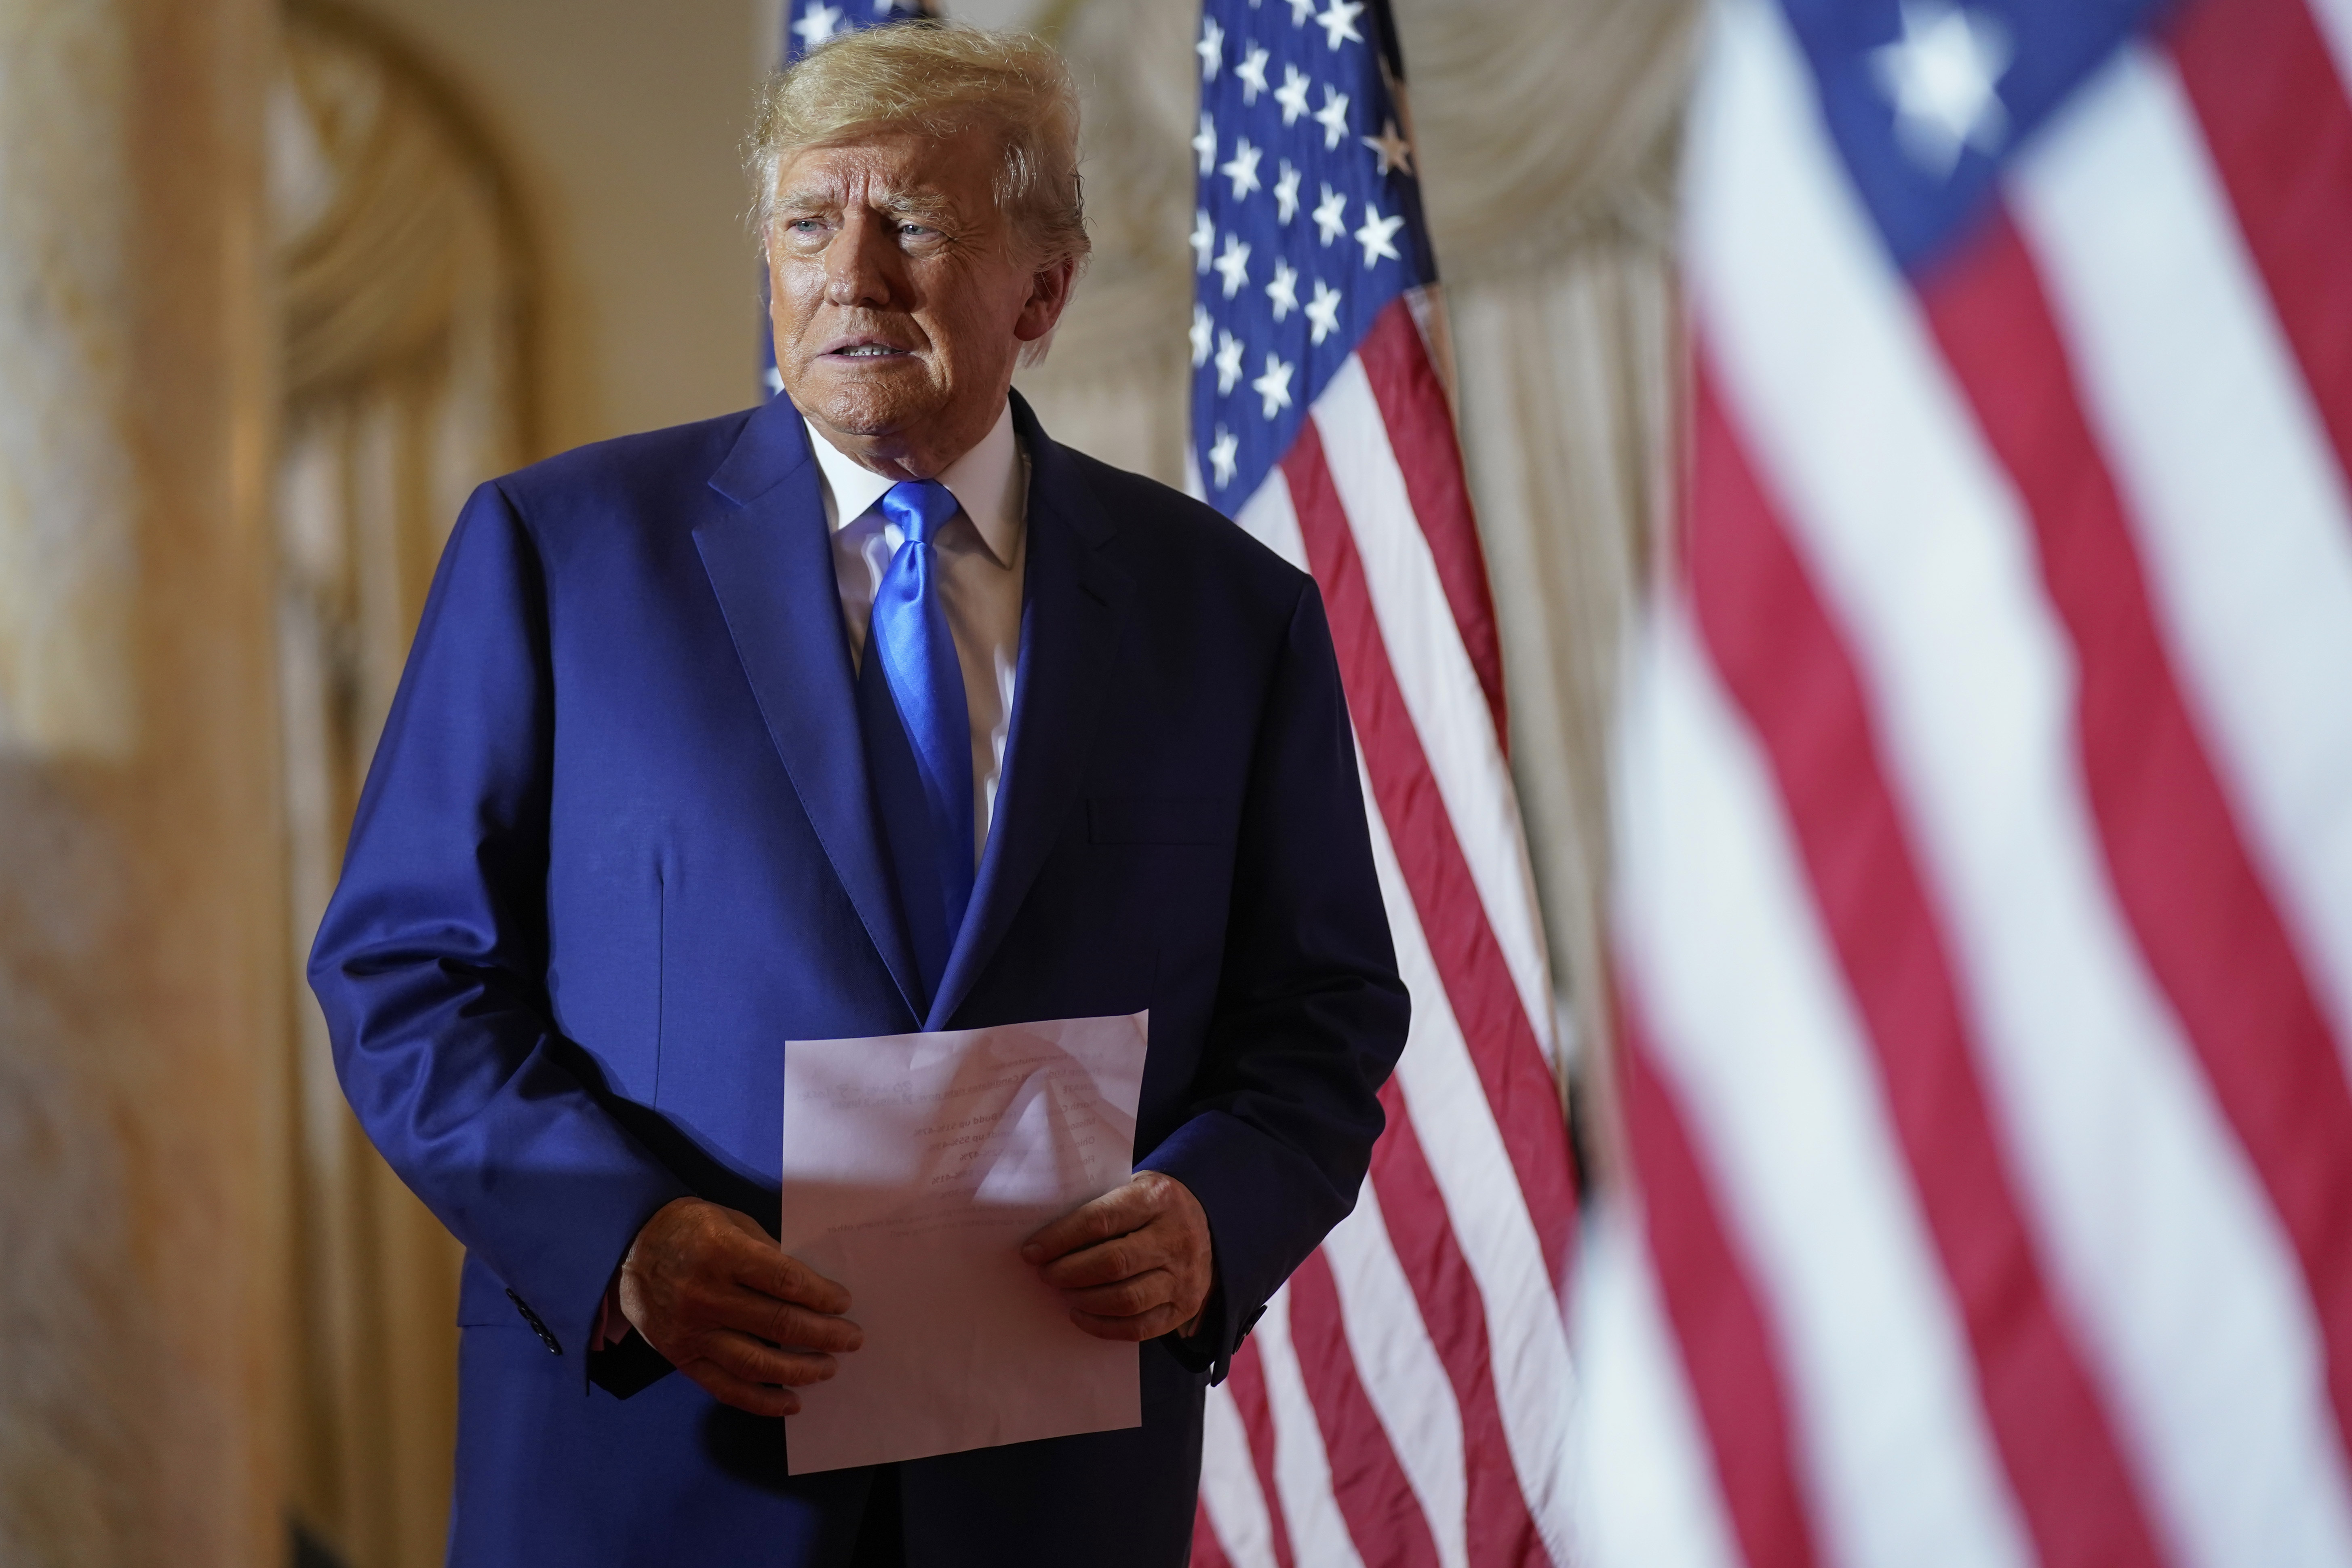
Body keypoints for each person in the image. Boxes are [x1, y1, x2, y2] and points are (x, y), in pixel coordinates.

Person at [310, 21, 1407, 1568]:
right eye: (810, 222)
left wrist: (1213, 1216)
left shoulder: (1229, 615)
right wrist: (622, 1239)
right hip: (656, 1468)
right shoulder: (557, 556)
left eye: (916, 225)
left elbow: (1322, 1011)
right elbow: (401, 974)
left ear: (1043, 289)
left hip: (1052, 1493)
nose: (853, 276)